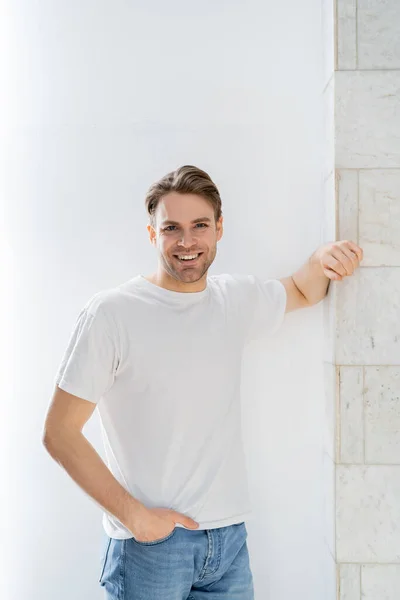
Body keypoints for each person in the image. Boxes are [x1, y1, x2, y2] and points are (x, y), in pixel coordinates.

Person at [42, 165, 363, 599]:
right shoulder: (112, 314)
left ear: (219, 229)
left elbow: (303, 290)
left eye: (200, 226)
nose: (187, 241)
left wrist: (324, 257)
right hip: (150, 549)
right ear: (153, 234)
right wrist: (136, 518)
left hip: (228, 542)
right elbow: (59, 433)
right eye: (172, 228)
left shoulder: (233, 300)